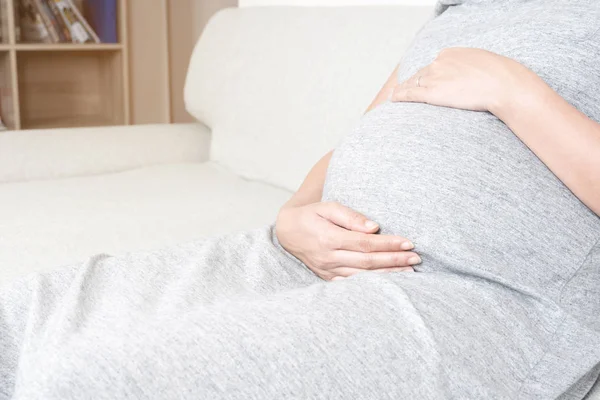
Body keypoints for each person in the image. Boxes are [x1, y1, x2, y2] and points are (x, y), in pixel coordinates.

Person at [1, 0, 599, 398]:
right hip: (310, 255)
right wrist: (290, 217)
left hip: (481, 298)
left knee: (89, 382)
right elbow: (353, 139)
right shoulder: (458, 10)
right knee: (18, 314)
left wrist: (515, 91)